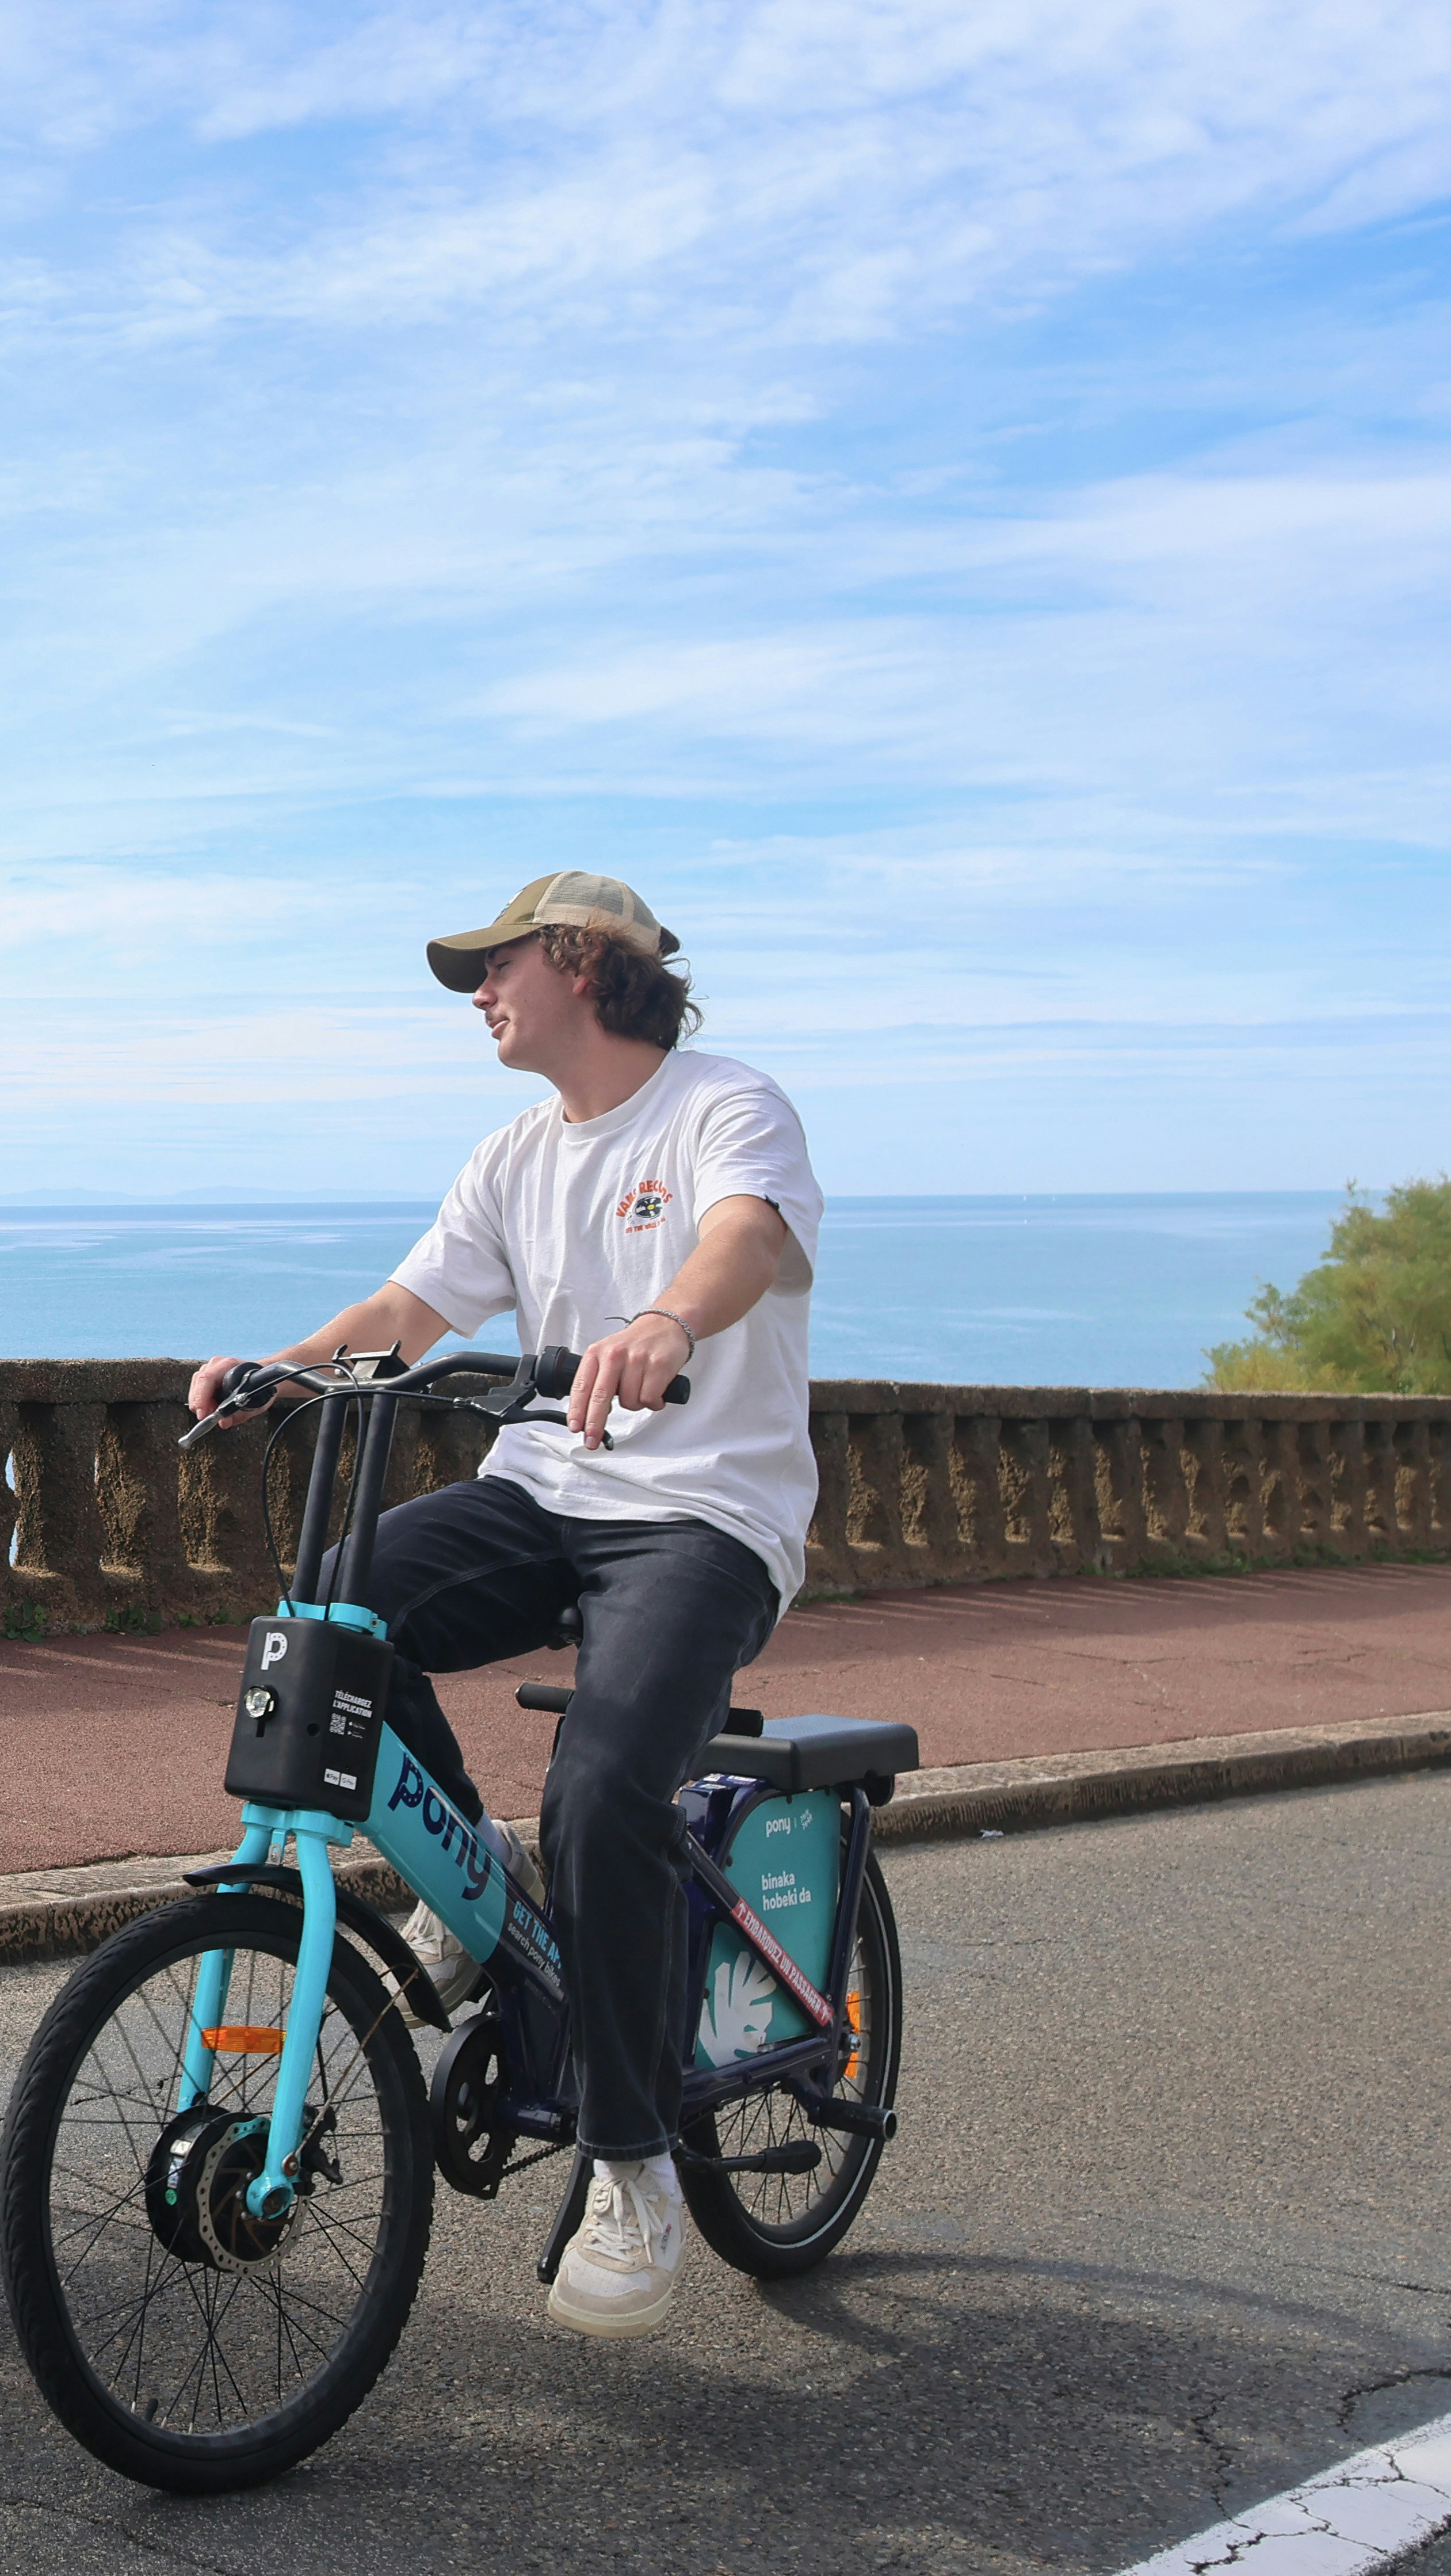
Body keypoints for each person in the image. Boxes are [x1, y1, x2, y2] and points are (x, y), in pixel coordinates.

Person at [188, 871, 823, 2343]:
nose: (479, 989)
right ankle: (474, 1872)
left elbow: (738, 1242)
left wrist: (667, 1318)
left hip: (701, 1511)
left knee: (607, 1790)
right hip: (548, 1489)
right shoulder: (513, 1152)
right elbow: (410, 1311)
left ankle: (632, 2161)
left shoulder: (729, 1106)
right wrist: (281, 1365)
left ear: (587, 962)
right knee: (337, 1609)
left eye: (498, 962)